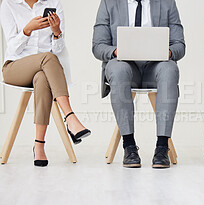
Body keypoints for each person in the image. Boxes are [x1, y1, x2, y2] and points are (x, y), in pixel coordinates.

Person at [92, 0, 185, 169]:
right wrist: (115, 51)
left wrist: (169, 52)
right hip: (125, 64)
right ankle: (129, 146)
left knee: (169, 69)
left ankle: (162, 147)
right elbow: (98, 46)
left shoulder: (167, 3)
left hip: (156, 65)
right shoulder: (108, 3)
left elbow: (180, 45)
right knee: (118, 69)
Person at [1, 0, 91, 167]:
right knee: (48, 58)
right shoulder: (8, 4)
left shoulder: (54, 3)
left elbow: (57, 50)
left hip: (45, 70)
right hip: (14, 67)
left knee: (43, 77)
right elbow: (13, 48)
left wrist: (57, 32)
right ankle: (70, 117)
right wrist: (27, 30)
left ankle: (39, 145)